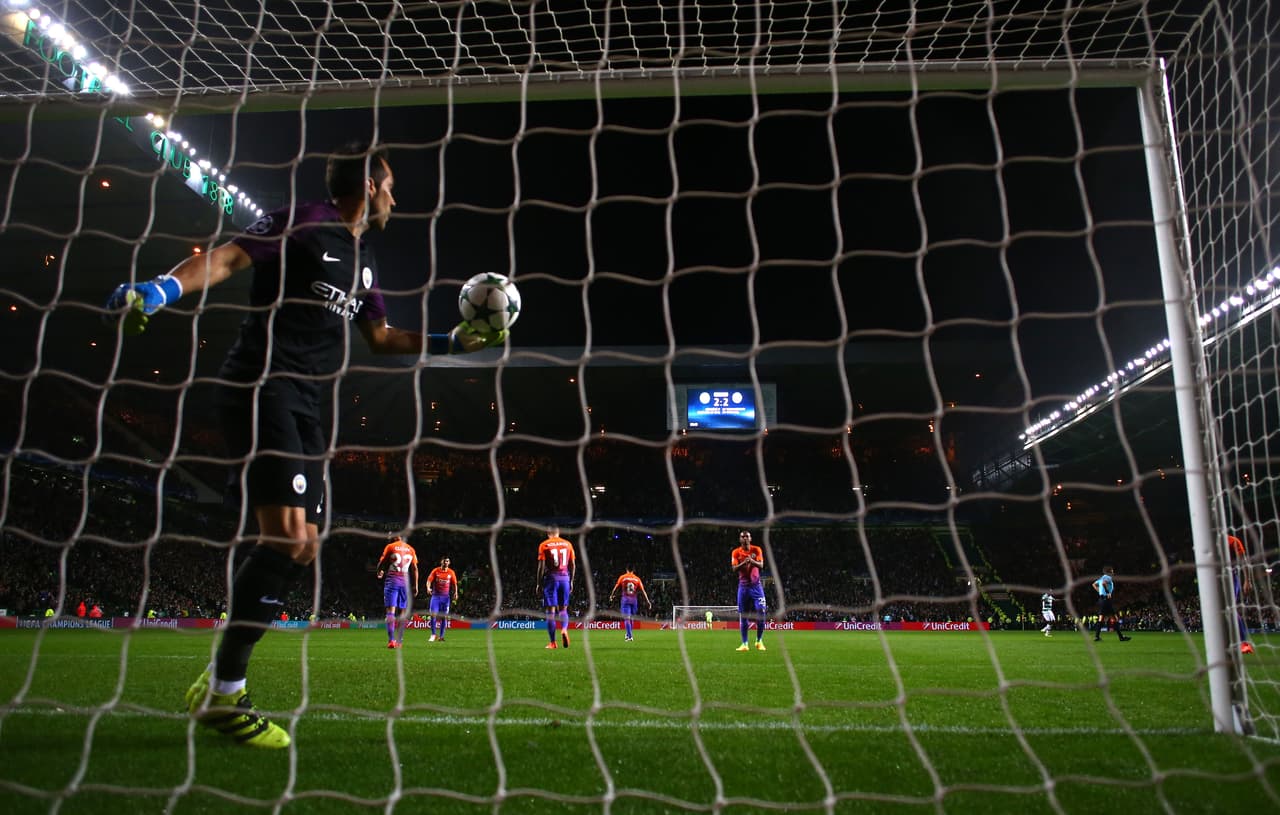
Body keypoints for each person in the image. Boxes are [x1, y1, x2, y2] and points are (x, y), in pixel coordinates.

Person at [106, 141, 505, 749]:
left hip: (310, 406)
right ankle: (224, 693)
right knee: (287, 537)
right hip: (263, 384)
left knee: (303, 544)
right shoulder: (303, 222)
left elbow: (382, 337)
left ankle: (218, 680)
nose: (395, 197)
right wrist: (162, 290)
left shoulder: (362, 257)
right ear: (369, 186)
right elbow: (228, 260)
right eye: (390, 186)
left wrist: (453, 343)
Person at [376, 535, 419, 649]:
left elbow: (382, 561)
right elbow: (415, 568)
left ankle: (391, 640)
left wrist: (379, 570)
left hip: (392, 581)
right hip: (405, 583)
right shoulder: (411, 549)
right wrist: (416, 585)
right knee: (403, 612)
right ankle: (399, 640)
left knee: (391, 612)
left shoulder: (390, 546)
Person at [536, 527, 575, 649]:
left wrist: (538, 583)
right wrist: (572, 580)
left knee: (550, 612)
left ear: (548, 533)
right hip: (565, 578)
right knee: (563, 610)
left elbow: (541, 567)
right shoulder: (568, 544)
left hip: (551, 579)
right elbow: (573, 564)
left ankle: (553, 642)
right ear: (558, 532)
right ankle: (564, 629)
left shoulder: (544, 545)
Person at [730, 530, 767, 651]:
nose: (745, 538)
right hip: (743, 587)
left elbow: (761, 565)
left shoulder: (757, 550)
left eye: (747, 536)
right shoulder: (736, 552)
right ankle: (744, 644)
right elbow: (734, 568)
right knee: (743, 616)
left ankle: (759, 641)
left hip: (756, 587)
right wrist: (744, 562)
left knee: (761, 613)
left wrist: (751, 561)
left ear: (750, 539)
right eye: (743, 537)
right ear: (740, 540)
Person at [1228, 535, 1254, 655]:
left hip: (1231, 577)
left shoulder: (1232, 541)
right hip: (1214, 579)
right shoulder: (1207, 542)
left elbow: (1243, 561)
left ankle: (1244, 643)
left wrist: (1247, 580)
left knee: (1230, 608)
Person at [609, 568, 652, 642]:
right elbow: (643, 591)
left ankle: (630, 636)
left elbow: (616, 587)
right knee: (631, 618)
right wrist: (648, 601)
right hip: (634, 600)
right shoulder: (637, 579)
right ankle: (628, 634)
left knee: (627, 618)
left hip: (625, 600)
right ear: (633, 570)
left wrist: (612, 595)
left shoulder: (622, 577)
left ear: (626, 569)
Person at [424, 556, 460, 642]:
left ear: (449, 563)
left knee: (444, 617)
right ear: (441, 562)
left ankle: (441, 636)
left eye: (447, 561)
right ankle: (433, 635)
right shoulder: (435, 571)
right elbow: (429, 580)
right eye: (444, 561)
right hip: (435, 597)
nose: (446, 563)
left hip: (445, 598)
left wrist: (456, 592)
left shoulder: (451, 572)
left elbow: (454, 584)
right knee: (433, 615)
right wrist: (428, 588)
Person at [1091, 566, 1130, 642]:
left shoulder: (1101, 577)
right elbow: (1104, 583)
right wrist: (1108, 592)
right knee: (1115, 618)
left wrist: (1099, 591)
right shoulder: (1108, 577)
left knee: (1101, 618)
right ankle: (1121, 637)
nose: (1113, 573)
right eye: (1112, 571)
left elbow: (1094, 584)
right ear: (1108, 572)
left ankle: (1097, 637)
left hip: (1102, 600)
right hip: (1106, 600)